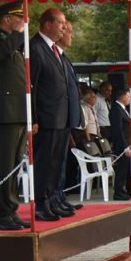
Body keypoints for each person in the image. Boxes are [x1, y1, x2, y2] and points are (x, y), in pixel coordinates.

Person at [0, 1, 30, 230]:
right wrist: (18, 35)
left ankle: (10, 210)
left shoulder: (13, 43)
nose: (23, 21)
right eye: (19, 18)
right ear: (7, 19)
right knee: (3, 166)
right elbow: (0, 55)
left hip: (17, 111)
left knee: (13, 166)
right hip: (4, 112)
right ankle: (0, 214)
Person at [29, 8, 74, 221]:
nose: (64, 27)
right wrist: (34, 118)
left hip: (61, 117)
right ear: (47, 24)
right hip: (46, 119)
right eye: (61, 23)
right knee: (45, 162)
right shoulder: (35, 48)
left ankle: (52, 200)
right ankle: (40, 203)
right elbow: (31, 88)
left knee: (56, 162)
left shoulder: (55, 50)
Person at [56, 20, 85, 209]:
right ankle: (53, 199)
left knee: (61, 162)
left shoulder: (64, 58)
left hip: (65, 118)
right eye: (69, 31)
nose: (71, 35)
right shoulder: (47, 54)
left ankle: (59, 198)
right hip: (55, 117)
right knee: (54, 162)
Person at [110, 88, 131, 201]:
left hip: (128, 143)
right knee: (121, 169)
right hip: (122, 145)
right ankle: (118, 192)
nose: (129, 99)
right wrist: (125, 147)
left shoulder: (123, 108)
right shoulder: (116, 109)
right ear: (123, 96)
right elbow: (118, 130)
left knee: (125, 169)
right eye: (128, 96)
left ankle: (122, 189)